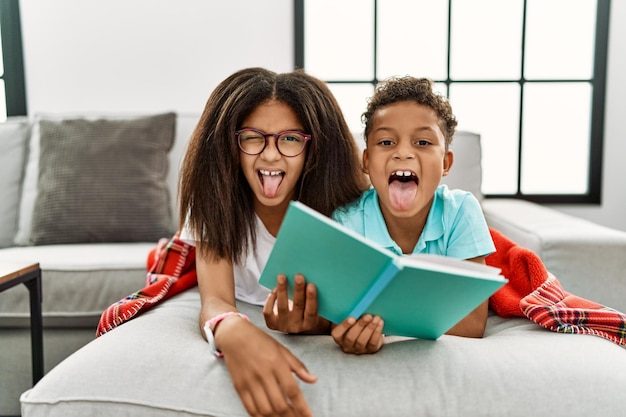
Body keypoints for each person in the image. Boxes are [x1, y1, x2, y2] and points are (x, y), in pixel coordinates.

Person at [177, 67, 369, 417]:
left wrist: (317, 325)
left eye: (290, 139)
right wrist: (231, 328)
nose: (270, 155)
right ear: (231, 144)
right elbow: (216, 299)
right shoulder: (215, 199)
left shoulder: (348, 212)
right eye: (252, 137)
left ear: (314, 147)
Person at [266, 76, 496, 356]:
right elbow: (334, 316)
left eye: (422, 142)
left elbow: (472, 323)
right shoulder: (346, 221)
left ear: (446, 162)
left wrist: (381, 323)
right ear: (366, 161)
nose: (403, 153)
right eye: (386, 142)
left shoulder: (461, 211)